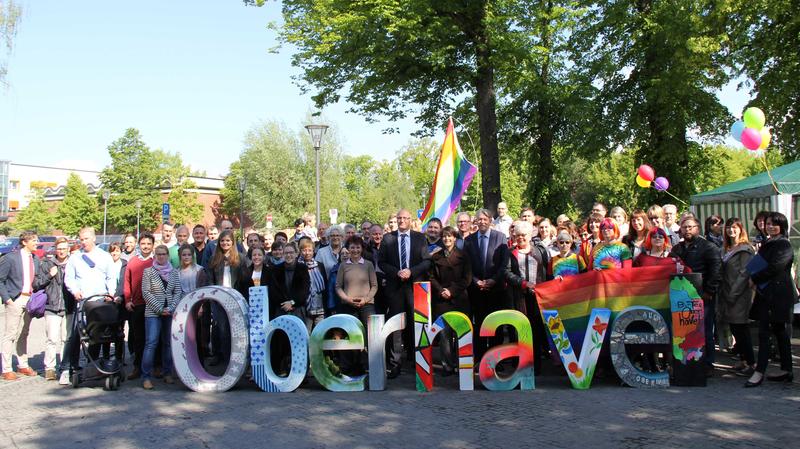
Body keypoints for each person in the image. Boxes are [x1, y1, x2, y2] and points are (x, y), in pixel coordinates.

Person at [378, 208, 432, 378]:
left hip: (414, 286)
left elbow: (427, 261)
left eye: (405, 218)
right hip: (395, 288)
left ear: (410, 220)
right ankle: (395, 364)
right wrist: (397, 272)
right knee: (396, 327)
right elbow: (382, 262)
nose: (401, 221)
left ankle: (418, 362)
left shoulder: (420, 237)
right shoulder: (388, 238)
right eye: (399, 218)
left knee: (416, 324)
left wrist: (411, 271)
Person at [746, 212, 797, 387]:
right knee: (778, 331)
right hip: (767, 293)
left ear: (782, 226)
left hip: (778, 295)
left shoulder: (783, 244)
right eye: (768, 223)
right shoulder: (769, 243)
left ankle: (759, 371)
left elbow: (776, 267)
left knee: (766, 332)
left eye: (774, 224)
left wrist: (755, 278)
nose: (770, 226)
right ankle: (786, 369)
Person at [670, 216, 722, 377]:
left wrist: (709, 292)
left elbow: (716, 271)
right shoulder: (677, 249)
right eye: (684, 227)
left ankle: (708, 364)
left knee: (705, 331)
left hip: (702, 296)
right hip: (682, 297)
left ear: (698, 228)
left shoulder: (709, 247)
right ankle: (686, 362)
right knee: (685, 333)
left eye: (690, 227)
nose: (687, 230)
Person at [463, 208, 509, 361]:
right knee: (479, 326)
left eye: (485, 219)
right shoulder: (468, 240)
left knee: (496, 325)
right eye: (479, 219)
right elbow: (466, 265)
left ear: (490, 220)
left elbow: (504, 264)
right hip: (476, 291)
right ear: (475, 221)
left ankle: (497, 359)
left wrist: (494, 280)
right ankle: (481, 358)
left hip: (496, 289)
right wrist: (476, 281)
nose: (482, 222)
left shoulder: (500, 237)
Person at [506, 220, 547, 374]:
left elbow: (544, 273)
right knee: (519, 330)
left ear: (530, 235)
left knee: (535, 330)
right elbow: (506, 273)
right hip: (518, 297)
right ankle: (520, 364)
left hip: (536, 297)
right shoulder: (511, 253)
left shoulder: (539, 251)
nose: (520, 238)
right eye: (518, 235)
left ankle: (535, 365)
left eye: (523, 235)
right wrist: (523, 283)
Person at [429, 226, 471, 375]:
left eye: (450, 236)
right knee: (445, 335)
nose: (447, 239)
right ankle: (447, 365)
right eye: (444, 237)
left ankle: (462, 364)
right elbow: (432, 277)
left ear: (455, 238)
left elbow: (467, 279)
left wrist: (452, 291)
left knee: (460, 334)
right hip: (442, 300)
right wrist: (442, 291)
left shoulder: (464, 256)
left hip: (459, 299)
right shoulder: (436, 257)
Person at [716, 218, 755, 377]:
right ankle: (743, 360)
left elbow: (744, 274)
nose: (731, 231)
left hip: (739, 294)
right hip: (727, 293)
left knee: (741, 328)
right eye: (728, 228)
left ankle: (751, 363)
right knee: (734, 328)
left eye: (734, 227)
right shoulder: (726, 248)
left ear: (740, 229)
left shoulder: (745, 249)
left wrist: (734, 293)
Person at [0, 231, 40, 381]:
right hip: (15, 299)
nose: (36, 243)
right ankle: (6, 368)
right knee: (10, 334)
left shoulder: (35, 259)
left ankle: (22, 364)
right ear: (24, 242)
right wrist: (8, 299)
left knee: (24, 333)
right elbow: (0, 279)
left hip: (29, 300)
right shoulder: (11, 257)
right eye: (34, 240)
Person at [140, 245, 182, 389]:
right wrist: (159, 309)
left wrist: (170, 308)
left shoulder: (174, 272)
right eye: (158, 254)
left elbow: (177, 291)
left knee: (168, 343)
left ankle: (167, 373)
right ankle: (146, 376)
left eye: (164, 254)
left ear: (168, 256)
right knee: (151, 344)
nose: (161, 256)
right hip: (153, 313)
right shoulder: (148, 272)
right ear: (155, 255)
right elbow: (146, 292)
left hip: (169, 312)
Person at [335, 236, 378, 375]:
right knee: (349, 336)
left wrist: (366, 299)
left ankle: (366, 365)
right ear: (348, 248)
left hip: (366, 305)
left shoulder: (368, 264)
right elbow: (338, 287)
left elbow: (374, 286)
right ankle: (347, 366)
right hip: (348, 305)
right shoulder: (343, 265)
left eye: (358, 247)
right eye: (352, 247)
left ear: (362, 248)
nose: (355, 250)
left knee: (368, 335)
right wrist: (347, 299)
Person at [33, 237, 73, 381]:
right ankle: (49, 368)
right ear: (56, 249)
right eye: (59, 248)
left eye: (64, 248)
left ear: (68, 249)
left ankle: (64, 367)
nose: (61, 251)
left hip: (69, 307)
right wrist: (50, 275)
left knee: (66, 339)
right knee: (51, 339)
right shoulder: (47, 264)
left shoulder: (73, 263)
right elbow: (36, 284)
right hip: (52, 306)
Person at [268, 243, 309, 375]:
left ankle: (299, 372)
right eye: (286, 253)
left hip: (297, 309)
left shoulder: (303, 268)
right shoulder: (275, 269)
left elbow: (305, 290)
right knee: (281, 340)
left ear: (297, 254)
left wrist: (292, 302)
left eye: (291, 252)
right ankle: (281, 369)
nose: (289, 255)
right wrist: (284, 303)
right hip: (280, 309)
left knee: (298, 341)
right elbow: (273, 291)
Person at [206, 230, 246, 366]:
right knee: (221, 329)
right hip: (219, 300)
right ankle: (222, 357)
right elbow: (210, 280)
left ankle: (235, 358)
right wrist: (214, 297)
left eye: (228, 240)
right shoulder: (214, 259)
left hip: (236, 299)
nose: (225, 243)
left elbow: (244, 280)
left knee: (235, 330)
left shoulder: (240, 258)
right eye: (222, 241)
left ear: (233, 242)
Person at [124, 233, 155, 380]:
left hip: (154, 305)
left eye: (149, 244)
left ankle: (154, 366)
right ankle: (137, 367)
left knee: (153, 338)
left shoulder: (156, 261)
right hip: (137, 305)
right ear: (139, 245)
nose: (146, 246)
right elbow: (127, 283)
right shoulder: (132, 262)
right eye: (143, 244)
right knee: (138, 338)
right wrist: (127, 300)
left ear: (152, 245)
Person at [299, 238, 327, 328]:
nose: (307, 253)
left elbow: (325, 285)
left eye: (309, 250)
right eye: (304, 250)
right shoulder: (298, 266)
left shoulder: (319, 265)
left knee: (320, 332)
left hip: (320, 306)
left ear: (313, 251)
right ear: (300, 251)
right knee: (306, 333)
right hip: (305, 307)